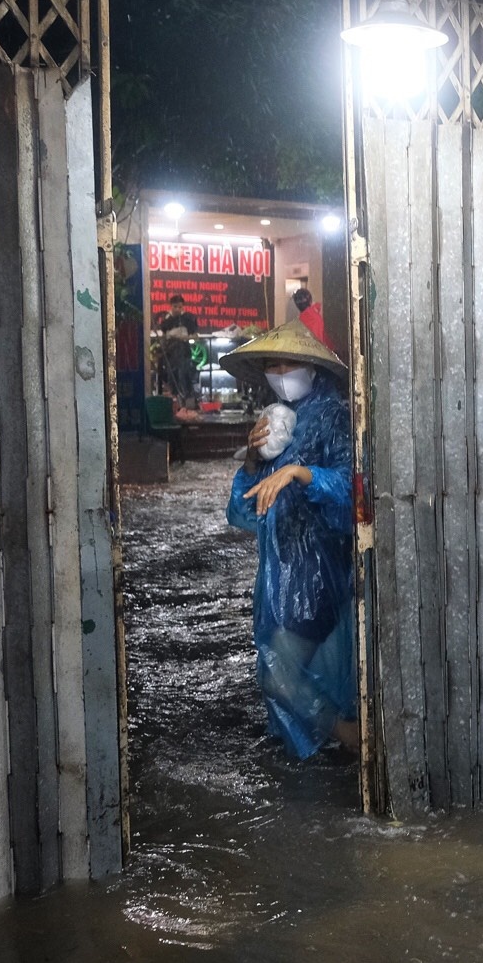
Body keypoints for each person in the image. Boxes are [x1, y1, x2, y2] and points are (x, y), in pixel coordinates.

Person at [222, 320, 359, 759]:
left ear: (312, 367)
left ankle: (350, 737)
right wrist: (251, 459)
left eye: (290, 363)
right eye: (273, 365)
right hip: (279, 577)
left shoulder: (335, 415)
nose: (281, 371)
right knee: (301, 673)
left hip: (322, 575)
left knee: (279, 674)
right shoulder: (274, 421)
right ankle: (327, 756)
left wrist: (300, 473)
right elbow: (243, 512)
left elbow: (354, 490)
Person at [158, 293, 201, 402]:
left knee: (184, 374)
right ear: (171, 306)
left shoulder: (188, 318)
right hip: (170, 352)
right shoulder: (166, 320)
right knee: (172, 375)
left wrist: (185, 337)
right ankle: (174, 398)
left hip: (184, 351)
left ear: (183, 307)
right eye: (175, 307)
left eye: (180, 307)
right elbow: (164, 335)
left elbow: (195, 335)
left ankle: (187, 399)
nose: (177, 309)